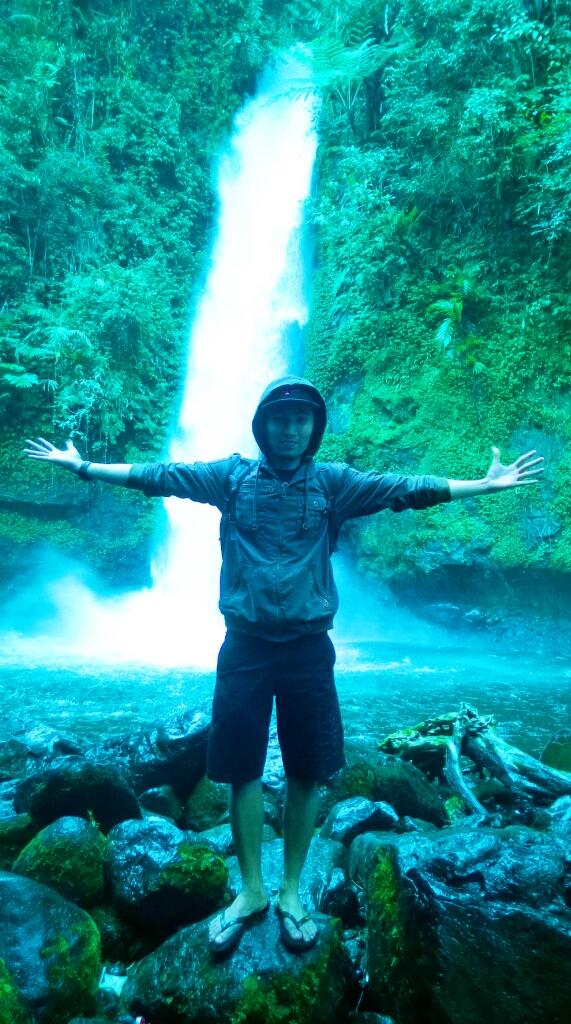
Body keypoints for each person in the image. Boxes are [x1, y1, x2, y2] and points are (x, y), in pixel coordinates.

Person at [24, 375, 543, 955]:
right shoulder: (231, 476)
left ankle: (292, 890)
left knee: (306, 770)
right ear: (263, 424)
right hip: (244, 646)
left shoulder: (334, 485)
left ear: (313, 428)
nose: (290, 428)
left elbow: (406, 488)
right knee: (241, 768)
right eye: (280, 418)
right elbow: (158, 477)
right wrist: (84, 467)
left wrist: (484, 486)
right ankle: (250, 891)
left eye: (301, 419)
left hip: (307, 648)